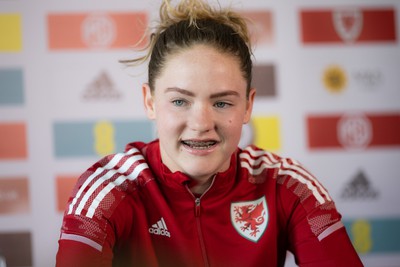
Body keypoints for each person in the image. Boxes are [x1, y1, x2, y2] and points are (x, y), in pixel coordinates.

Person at [56, 0, 364, 266]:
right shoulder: (109, 192)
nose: (201, 123)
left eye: (221, 102)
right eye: (179, 101)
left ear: (247, 106)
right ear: (150, 102)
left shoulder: (287, 185)